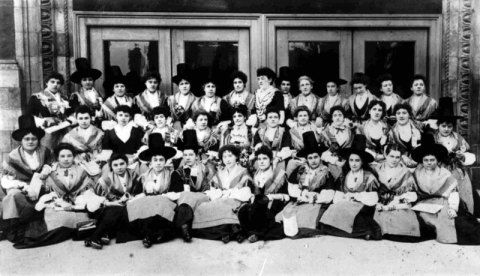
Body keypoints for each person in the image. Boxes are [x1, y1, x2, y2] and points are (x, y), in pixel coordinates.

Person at [16, 143, 96, 248]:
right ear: (57, 158)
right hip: (57, 203)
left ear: (74, 157)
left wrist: (79, 200)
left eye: (69, 156)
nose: (66, 159)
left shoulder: (81, 170)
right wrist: (59, 201)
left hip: (77, 203)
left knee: (83, 219)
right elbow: (44, 192)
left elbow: (88, 187)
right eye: (62, 156)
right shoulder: (50, 171)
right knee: (61, 221)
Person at [411, 134, 480, 244]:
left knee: (456, 223)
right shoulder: (417, 173)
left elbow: (453, 193)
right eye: (426, 160)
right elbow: (413, 191)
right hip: (424, 205)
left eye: (432, 160)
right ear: (422, 161)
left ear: (437, 160)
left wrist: (452, 208)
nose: (429, 163)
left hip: (444, 203)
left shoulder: (445, 173)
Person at [1, 115, 53, 242]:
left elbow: (52, 164)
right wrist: (25, 187)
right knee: (12, 196)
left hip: (42, 186)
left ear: (38, 140)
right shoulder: (12, 157)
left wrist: (47, 168)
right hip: (23, 189)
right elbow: (6, 180)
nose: (30, 142)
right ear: (21, 140)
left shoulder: (45, 151)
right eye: (27, 139)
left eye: (34, 139)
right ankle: (12, 227)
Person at [319, 134, 382, 240]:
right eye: (351, 160)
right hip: (347, 203)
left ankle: (362, 232)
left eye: (357, 161)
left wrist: (357, 196)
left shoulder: (369, 176)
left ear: (362, 162)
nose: (354, 164)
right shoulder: (344, 175)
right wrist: (345, 197)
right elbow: (339, 194)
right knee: (333, 210)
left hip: (363, 206)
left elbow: (373, 198)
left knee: (359, 217)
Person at [128, 134, 186, 247]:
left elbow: (178, 193)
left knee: (160, 212)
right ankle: (150, 235)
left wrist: (162, 196)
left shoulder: (172, 175)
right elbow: (137, 194)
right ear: (150, 162)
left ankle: (150, 236)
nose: (158, 163)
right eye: (155, 160)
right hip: (148, 205)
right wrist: (146, 195)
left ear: (165, 162)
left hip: (165, 205)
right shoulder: (143, 177)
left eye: (161, 160)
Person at [277, 132, 335, 238]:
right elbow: (292, 188)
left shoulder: (325, 172)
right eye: (310, 158)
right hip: (300, 200)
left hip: (316, 202)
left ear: (320, 157)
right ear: (307, 159)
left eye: (315, 157)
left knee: (307, 219)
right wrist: (302, 195)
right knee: (283, 217)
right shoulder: (301, 170)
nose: (313, 160)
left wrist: (313, 196)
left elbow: (329, 194)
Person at [192, 145, 253, 243]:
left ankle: (227, 231)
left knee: (225, 205)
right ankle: (224, 231)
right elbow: (214, 188)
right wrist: (219, 193)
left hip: (236, 198)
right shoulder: (220, 172)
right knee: (204, 207)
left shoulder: (243, 171)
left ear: (236, 156)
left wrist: (229, 193)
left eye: (230, 156)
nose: (227, 159)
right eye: (224, 157)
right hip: (221, 198)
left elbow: (246, 190)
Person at [85, 153, 143, 249]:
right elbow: (98, 199)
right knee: (115, 209)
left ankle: (101, 235)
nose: (119, 167)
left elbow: (138, 193)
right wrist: (114, 202)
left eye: (122, 164)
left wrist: (129, 198)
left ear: (127, 164)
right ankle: (98, 236)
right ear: (111, 166)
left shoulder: (133, 175)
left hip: (129, 205)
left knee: (121, 210)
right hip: (108, 207)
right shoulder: (105, 179)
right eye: (115, 165)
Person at [432, 97, 476, 214]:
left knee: (463, 198)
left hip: (457, 173)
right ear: (438, 125)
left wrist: (462, 157)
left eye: (449, 126)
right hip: (439, 173)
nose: (446, 129)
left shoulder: (458, 138)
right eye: (443, 126)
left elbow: (468, 153)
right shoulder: (433, 139)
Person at [373, 144, 422, 241]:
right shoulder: (377, 168)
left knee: (403, 223)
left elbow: (409, 192)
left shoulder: (405, 172)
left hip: (397, 201)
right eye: (391, 156)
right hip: (379, 201)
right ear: (386, 155)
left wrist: (397, 201)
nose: (394, 160)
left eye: (397, 157)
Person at [239, 145, 287, 242]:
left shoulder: (278, 174)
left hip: (273, 203)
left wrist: (269, 197)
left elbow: (285, 195)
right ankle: (252, 233)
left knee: (261, 211)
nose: (261, 161)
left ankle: (256, 234)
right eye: (259, 159)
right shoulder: (256, 174)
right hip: (258, 203)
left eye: (265, 158)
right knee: (243, 211)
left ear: (271, 160)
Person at [28, 72, 74, 149]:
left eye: (58, 83)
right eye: (52, 82)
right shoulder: (37, 97)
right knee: (48, 154)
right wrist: (44, 121)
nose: (55, 84)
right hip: (48, 132)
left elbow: (69, 114)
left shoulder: (64, 98)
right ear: (46, 82)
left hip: (64, 130)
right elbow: (30, 117)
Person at [69, 58, 104, 125]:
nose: (88, 82)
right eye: (84, 80)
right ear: (80, 82)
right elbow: (75, 112)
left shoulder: (100, 94)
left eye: (90, 79)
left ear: (93, 81)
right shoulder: (75, 96)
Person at [388, 103, 422, 168]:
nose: (401, 116)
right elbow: (392, 150)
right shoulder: (392, 132)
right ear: (395, 115)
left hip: (419, 161)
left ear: (409, 114)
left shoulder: (418, 127)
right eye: (398, 113)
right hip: (400, 163)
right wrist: (402, 157)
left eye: (404, 113)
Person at [168, 63, 198, 130]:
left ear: (190, 85)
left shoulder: (196, 100)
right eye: (181, 84)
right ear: (178, 86)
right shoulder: (171, 99)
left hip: (190, 128)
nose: (184, 86)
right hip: (173, 128)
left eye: (186, 83)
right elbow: (168, 116)